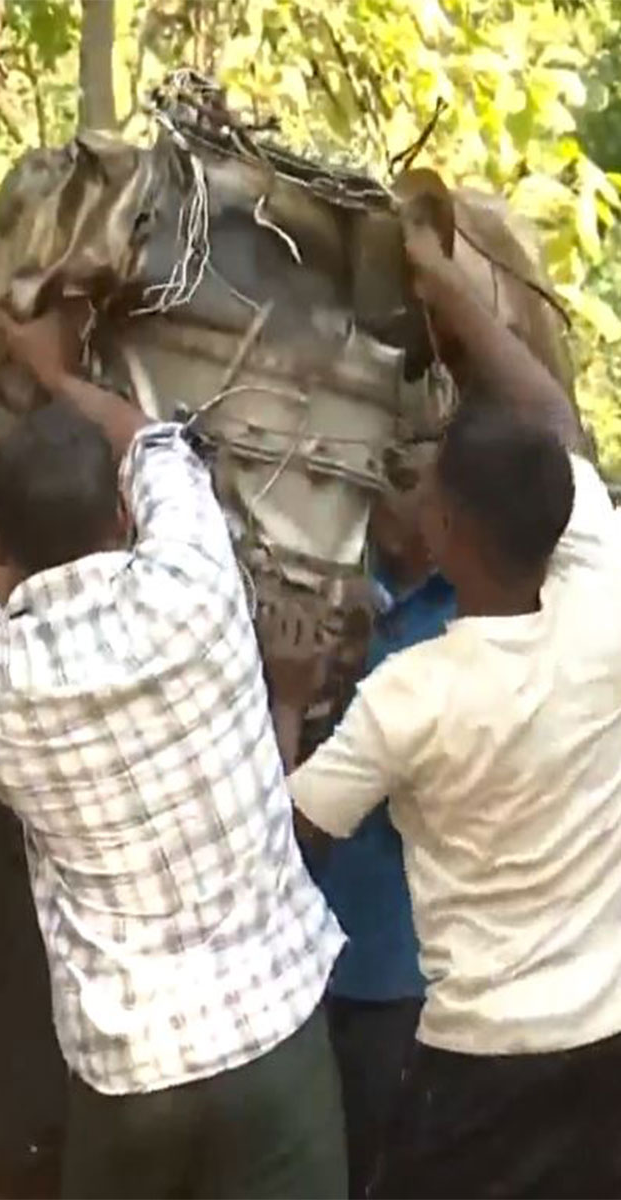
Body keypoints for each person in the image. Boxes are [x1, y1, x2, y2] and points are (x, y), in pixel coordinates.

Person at [0, 306, 347, 1200]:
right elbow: (153, 441)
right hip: (276, 1032)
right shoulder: (196, 583)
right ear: (124, 514)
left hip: (132, 1071)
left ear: (5, 543)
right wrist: (56, 374)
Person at [277, 216, 621, 1197]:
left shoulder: (411, 696)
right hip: (601, 1050)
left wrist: (289, 699)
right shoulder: (604, 607)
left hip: (477, 1064)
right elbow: (554, 418)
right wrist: (442, 280)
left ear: (445, 528)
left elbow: (291, 841)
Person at [307, 486, 454, 1198]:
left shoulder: (470, 616)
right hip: (302, 963)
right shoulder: (324, 567)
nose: (394, 496)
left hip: (394, 967)